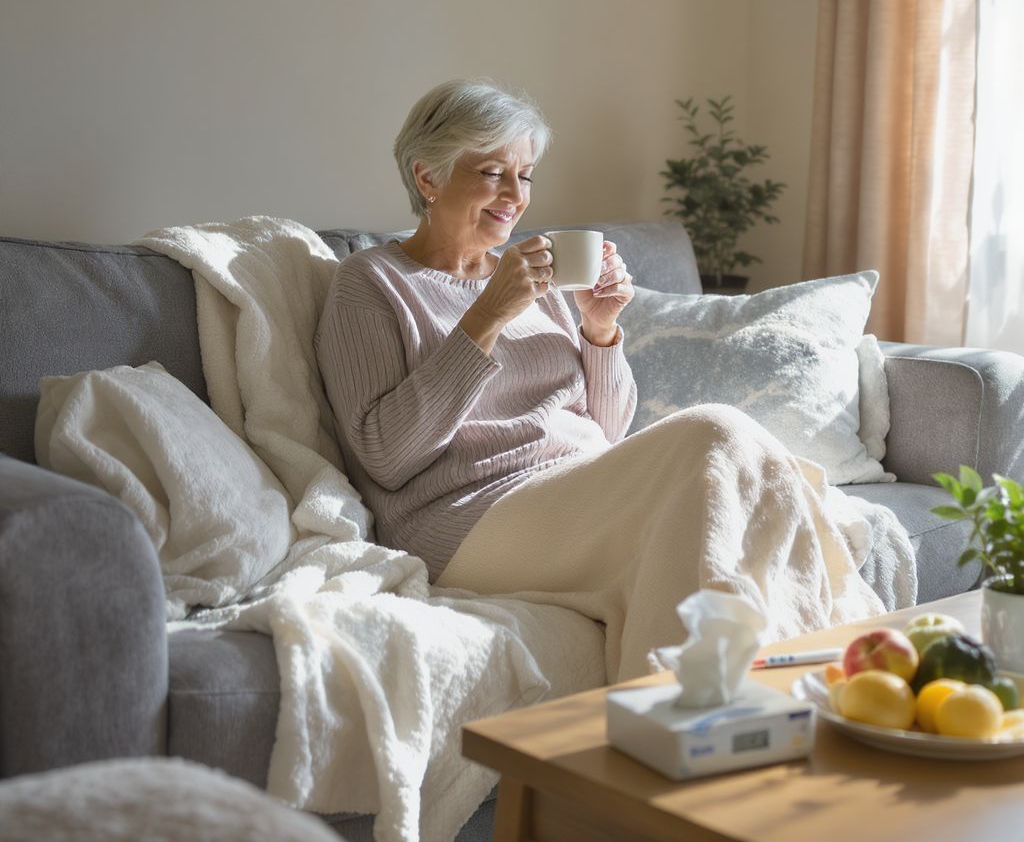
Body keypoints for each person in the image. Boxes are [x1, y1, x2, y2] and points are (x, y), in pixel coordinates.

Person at [315, 79, 885, 682]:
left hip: (574, 489)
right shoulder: (372, 283)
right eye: (492, 172)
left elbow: (607, 433)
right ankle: (733, 707)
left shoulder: (541, 280)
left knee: (734, 477)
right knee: (716, 434)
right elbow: (384, 456)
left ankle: (749, 706)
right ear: (427, 176)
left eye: (526, 174)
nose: (515, 195)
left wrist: (600, 329)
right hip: (466, 518)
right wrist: (486, 316)